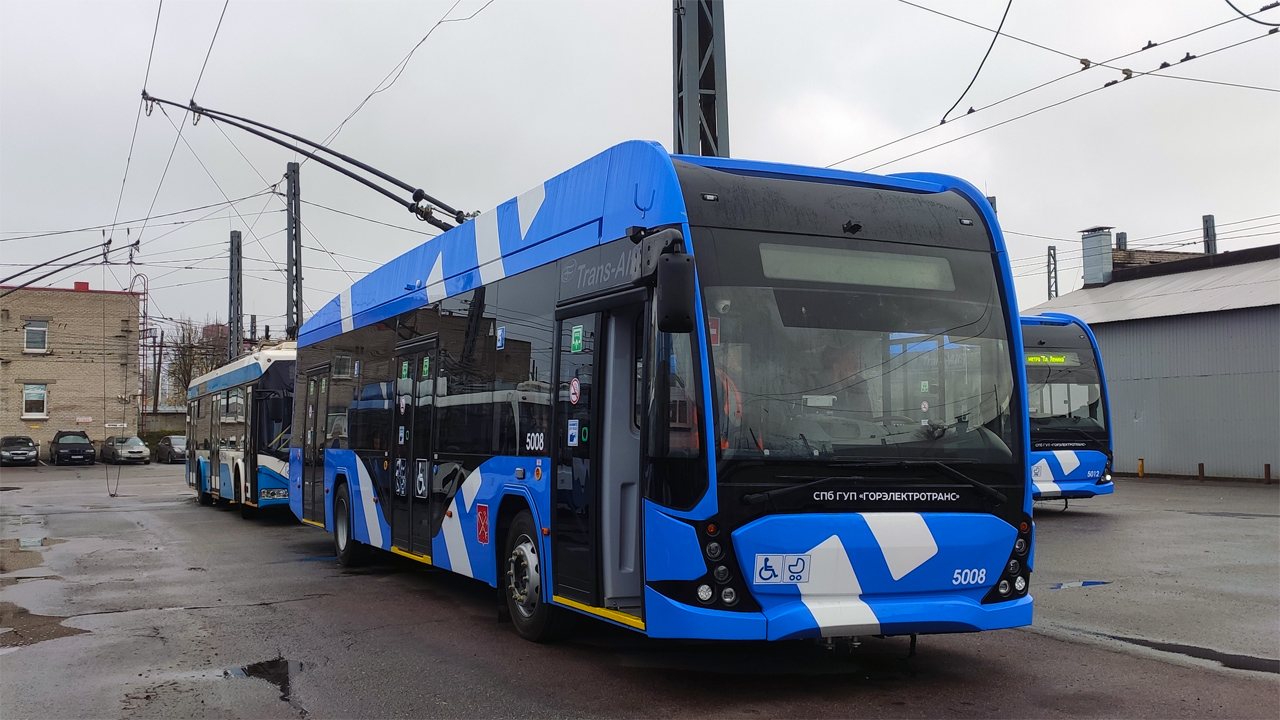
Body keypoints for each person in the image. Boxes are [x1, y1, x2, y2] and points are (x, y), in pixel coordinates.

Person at [821, 346, 872, 419]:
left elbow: (867, 419)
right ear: (836, 367)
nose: (856, 366)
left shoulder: (860, 385)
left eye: (856, 360)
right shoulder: (816, 386)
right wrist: (837, 386)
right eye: (850, 360)